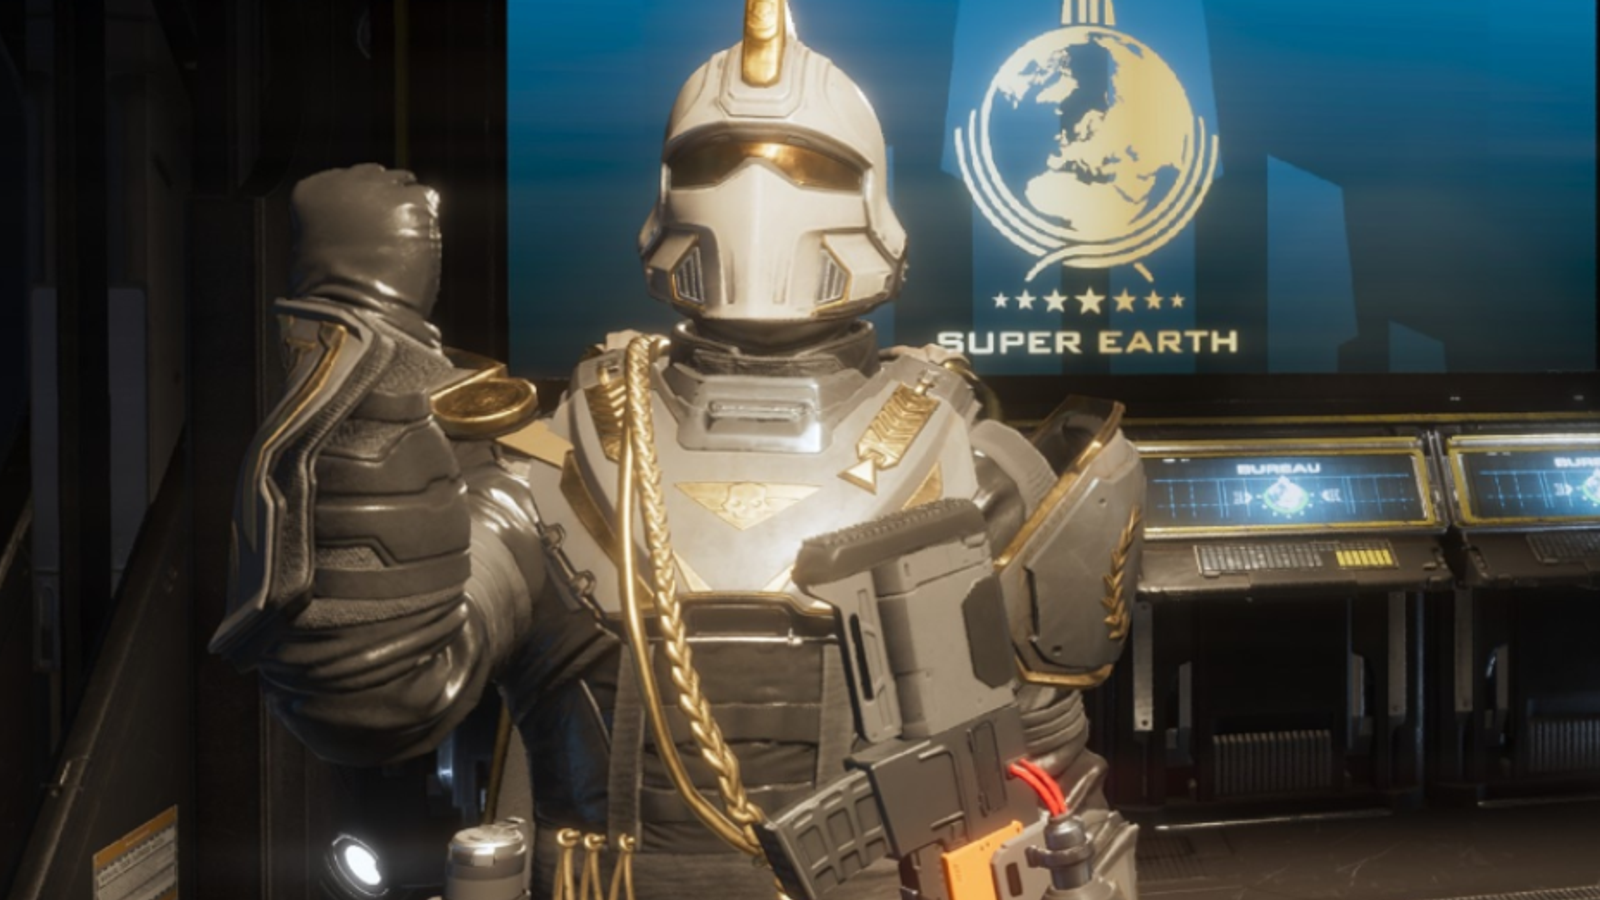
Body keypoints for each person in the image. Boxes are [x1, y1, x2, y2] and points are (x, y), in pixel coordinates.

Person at [212, 3, 1145, 898]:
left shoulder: (975, 464)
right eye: (722, 158)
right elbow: (368, 693)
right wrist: (368, 338)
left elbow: (1051, 795)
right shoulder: (559, 463)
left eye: (803, 165)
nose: (760, 192)